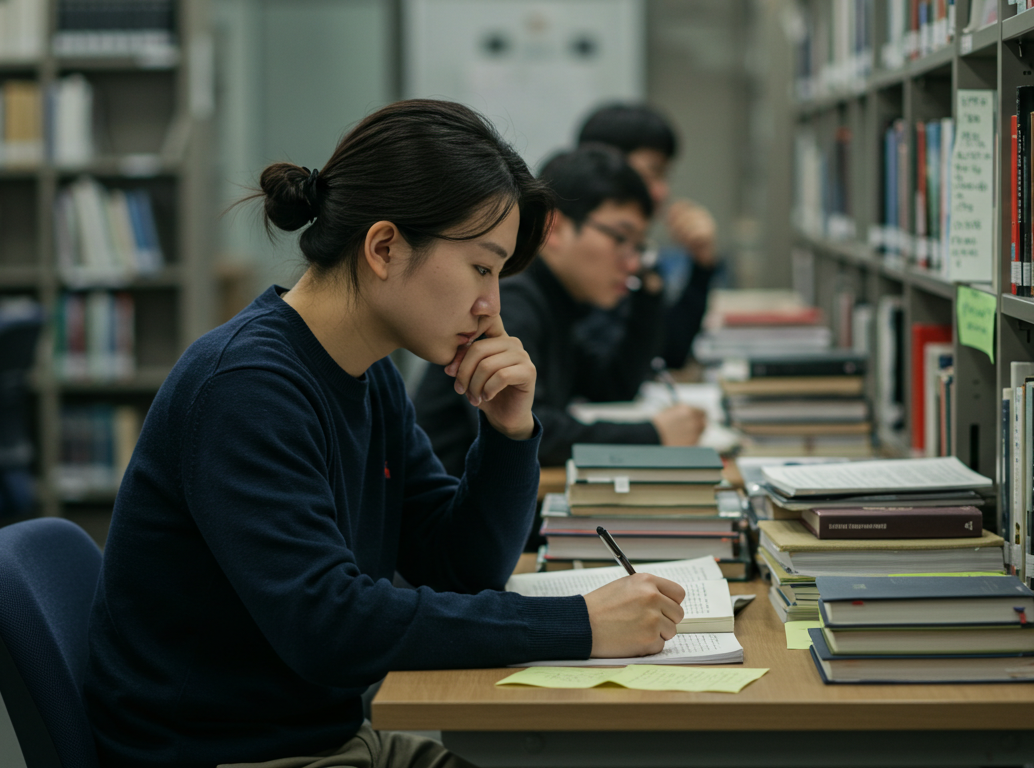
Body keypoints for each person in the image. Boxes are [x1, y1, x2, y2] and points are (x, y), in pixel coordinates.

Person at [83, 100, 688, 768]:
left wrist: (509, 433)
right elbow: (329, 625)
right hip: (232, 756)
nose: (491, 304)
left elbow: (460, 570)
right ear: (384, 247)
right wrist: (580, 625)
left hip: (321, 740)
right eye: (482, 267)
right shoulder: (247, 385)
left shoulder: (364, 373)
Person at [414, 145, 706, 479]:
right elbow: (536, 430)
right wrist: (651, 436)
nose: (633, 261)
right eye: (621, 238)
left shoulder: (558, 302)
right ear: (554, 229)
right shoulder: (513, 299)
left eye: (639, 246)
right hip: (447, 508)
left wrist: (649, 294)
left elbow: (612, 386)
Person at [575, 103, 721, 369]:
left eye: (666, 177)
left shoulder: (639, 252)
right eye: (653, 174)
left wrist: (701, 264)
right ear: (604, 167)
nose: (662, 192)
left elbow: (667, 350)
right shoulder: (583, 252)